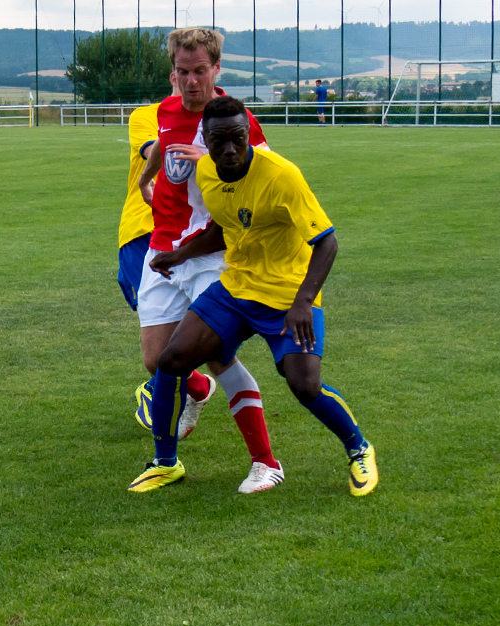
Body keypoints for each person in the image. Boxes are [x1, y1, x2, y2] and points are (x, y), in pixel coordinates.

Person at [142, 95, 379, 497]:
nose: (230, 149)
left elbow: (327, 242)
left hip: (288, 294)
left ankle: (359, 449)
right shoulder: (206, 174)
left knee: (303, 385)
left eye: (238, 138)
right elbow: (223, 224)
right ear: (208, 140)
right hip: (237, 287)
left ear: (248, 134)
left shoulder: (281, 175)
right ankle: (166, 463)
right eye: (220, 141)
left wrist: (304, 301)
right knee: (171, 360)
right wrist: (180, 254)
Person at [128, 28, 283, 495]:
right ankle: (196, 392)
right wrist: (146, 180)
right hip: (163, 250)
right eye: (182, 72)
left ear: (217, 69)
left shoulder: (236, 119)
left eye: (200, 72)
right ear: (172, 72)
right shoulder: (166, 109)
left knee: (217, 353)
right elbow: (161, 144)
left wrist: (209, 161)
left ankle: (265, 463)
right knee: (156, 360)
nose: (190, 82)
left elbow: (266, 179)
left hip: (211, 254)